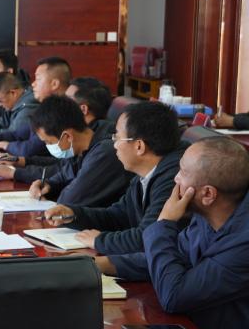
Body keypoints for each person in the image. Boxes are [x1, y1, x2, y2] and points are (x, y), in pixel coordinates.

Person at [99, 138, 249, 329]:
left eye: (182, 172)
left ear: (208, 194)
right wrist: (101, 264)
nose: (175, 179)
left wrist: (164, 222)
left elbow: (174, 294)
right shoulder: (212, 214)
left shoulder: (244, 242)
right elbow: (172, 257)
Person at [43, 102, 186, 256]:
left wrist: (100, 241)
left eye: (117, 137)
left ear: (139, 146)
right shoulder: (146, 172)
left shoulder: (174, 179)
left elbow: (148, 237)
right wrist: (74, 215)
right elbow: (119, 216)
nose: (114, 145)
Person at [17, 95, 130, 207]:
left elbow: (69, 201)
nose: (48, 146)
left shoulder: (104, 153)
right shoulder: (82, 147)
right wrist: (48, 184)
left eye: (49, 142)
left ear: (67, 136)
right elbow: (65, 174)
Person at [0, 56, 72, 157]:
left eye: (38, 79)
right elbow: (18, 133)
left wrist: (8, 146)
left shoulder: (62, 113)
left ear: (54, 84)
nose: (33, 84)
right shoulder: (47, 108)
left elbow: (32, 148)